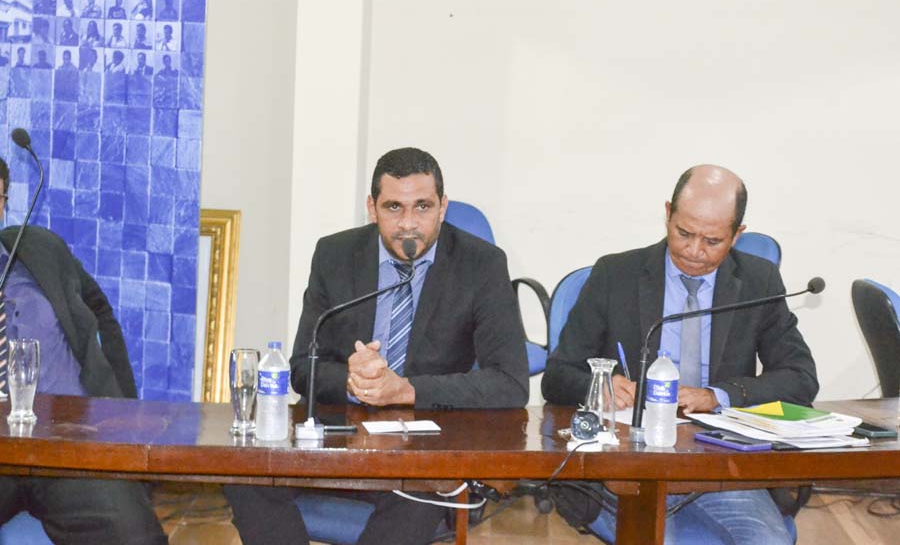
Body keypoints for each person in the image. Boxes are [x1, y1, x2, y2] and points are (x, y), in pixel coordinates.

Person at [224, 148, 529, 545]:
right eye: (393, 207)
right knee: (242, 474)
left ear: (442, 207)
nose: (408, 224)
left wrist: (406, 389)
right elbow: (302, 367)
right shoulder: (335, 255)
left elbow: (510, 383)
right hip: (338, 435)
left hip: (424, 446)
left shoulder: (481, 264)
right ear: (372, 208)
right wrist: (351, 381)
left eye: (422, 207)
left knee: (422, 494)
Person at [542, 164, 818, 545]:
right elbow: (557, 375)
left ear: (737, 234)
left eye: (713, 241)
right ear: (668, 213)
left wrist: (717, 396)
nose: (694, 251)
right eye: (684, 233)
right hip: (628, 463)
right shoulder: (615, 275)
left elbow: (800, 377)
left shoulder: (759, 281)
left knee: (769, 541)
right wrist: (599, 386)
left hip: (718, 464)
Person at [0, 157, 167, 545]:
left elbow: (100, 309)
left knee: (136, 535)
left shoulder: (39, 249)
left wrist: (122, 409)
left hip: (67, 447)